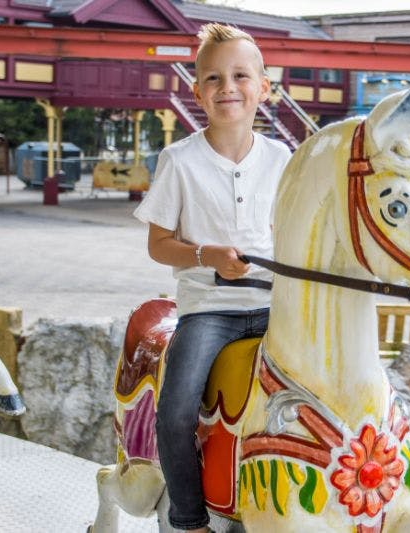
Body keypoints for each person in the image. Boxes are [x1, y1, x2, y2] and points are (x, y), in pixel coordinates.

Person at [133, 23, 291, 533]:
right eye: (214, 78)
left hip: (274, 307)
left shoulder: (283, 159)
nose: (228, 87)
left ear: (263, 87)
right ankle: (189, 517)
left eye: (241, 75)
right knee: (176, 412)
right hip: (209, 310)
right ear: (197, 90)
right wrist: (205, 254)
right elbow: (158, 246)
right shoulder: (178, 161)